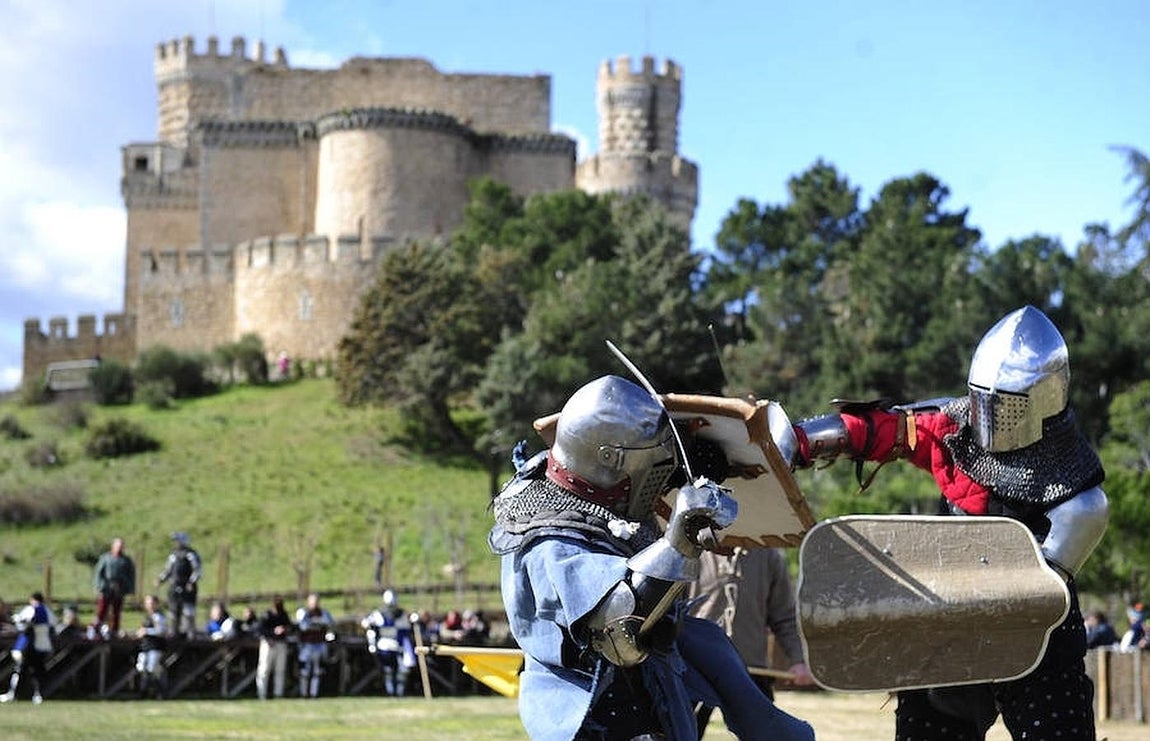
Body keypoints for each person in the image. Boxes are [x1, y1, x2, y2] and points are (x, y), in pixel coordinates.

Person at [790, 305, 1108, 740]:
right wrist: (801, 441)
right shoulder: (956, 428)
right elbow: (883, 429)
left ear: (1043, 402)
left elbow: (1037, 590)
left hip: (1038, 629)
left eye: (1004, 406)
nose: (988, 414)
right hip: (947, 619)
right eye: (982, 400)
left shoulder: (1081, 501)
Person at [489, 374, 815, 740]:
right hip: (596, 710)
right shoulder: (551, 537)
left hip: (649, 688)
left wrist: (706, 462)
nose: (656, 478)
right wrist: (679, 541)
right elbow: (619, 633)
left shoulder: (591, 483)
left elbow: (652, 468)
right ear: (609, 458)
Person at [689, 547, 816, 737]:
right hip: (696, 668)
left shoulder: (769, 555)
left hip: (750, 669)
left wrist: (799, 660)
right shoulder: (692, 550)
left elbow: (784, 617)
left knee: (767, 735)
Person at [1, 592, 57, 704]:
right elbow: (54, 624)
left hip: (30, 645)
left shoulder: (31, 609)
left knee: (21, 669)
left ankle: (13, 694)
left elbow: (23, 622)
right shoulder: (48, 611)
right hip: (44, 646)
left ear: (33, 599)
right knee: (38, 671)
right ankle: (39, 694)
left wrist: (16, 619)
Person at [361, 589, 416, 697]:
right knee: (388, 670)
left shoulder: (403, 614)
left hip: (400, 646)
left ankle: (399, 692)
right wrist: (372, 643)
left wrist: (413, 620)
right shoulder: (378, 614)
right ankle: (390, 691)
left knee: (403, 670)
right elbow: (367, 625)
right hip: (384, 645)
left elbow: (409, 628)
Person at [155, 531, 202, 638]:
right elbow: (168, 570)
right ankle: (174, 634)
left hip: (187, 588)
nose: (176, 543)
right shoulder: (173, 555)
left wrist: (191, 582)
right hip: (174, 588)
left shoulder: (191, 554)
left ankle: (190, 635)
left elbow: (197, 570)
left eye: (178, 541)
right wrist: (160, 579)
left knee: (188, 612)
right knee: (173, 612)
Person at [91, 536, 136, 638]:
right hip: (106, 587)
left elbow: (131, 575)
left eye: (121, 546)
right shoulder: (105, 558)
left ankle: (114, 631)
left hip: (119, 588)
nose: (119, 548)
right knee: (102, 610)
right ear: (113, 546)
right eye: (117, 546)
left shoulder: (126, 560)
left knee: (116, 611)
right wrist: (99, 586)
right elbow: (99, 573)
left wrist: (130, 589)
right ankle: (96, 629)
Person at [295, 593, 334, 698]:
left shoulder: (324, 613)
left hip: (319, 645)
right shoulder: (304, 613)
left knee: (317, 671)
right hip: (306, 646)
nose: (314, 604)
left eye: (316, 602)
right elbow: (302, 627)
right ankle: (303, 693)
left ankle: (314, 694)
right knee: (304, 671)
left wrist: (317, 625)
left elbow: (330, 625)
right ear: (308, 602)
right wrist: (315, 625)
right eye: (312, 602)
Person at [256, 596, 292, 700]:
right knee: (264, 669)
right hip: (268, 644)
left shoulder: (284, 615)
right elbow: (260, 630)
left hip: (281, 643)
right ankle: (261, 694)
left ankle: (278, 694)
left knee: (280, 670)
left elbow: (290, 627)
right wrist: (272, 633)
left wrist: (284, 629)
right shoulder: (266, 615)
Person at [135, 594, 168, 699]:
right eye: (148, 603)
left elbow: (161, 631)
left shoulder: (159, 616)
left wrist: (147, 631)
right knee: (141, 668)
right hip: (146, 646)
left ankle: (159, 693)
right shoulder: (148, 616)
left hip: (156, 646)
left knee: (152, 669)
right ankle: (144, 692)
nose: (150, 605)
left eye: (152, 603)